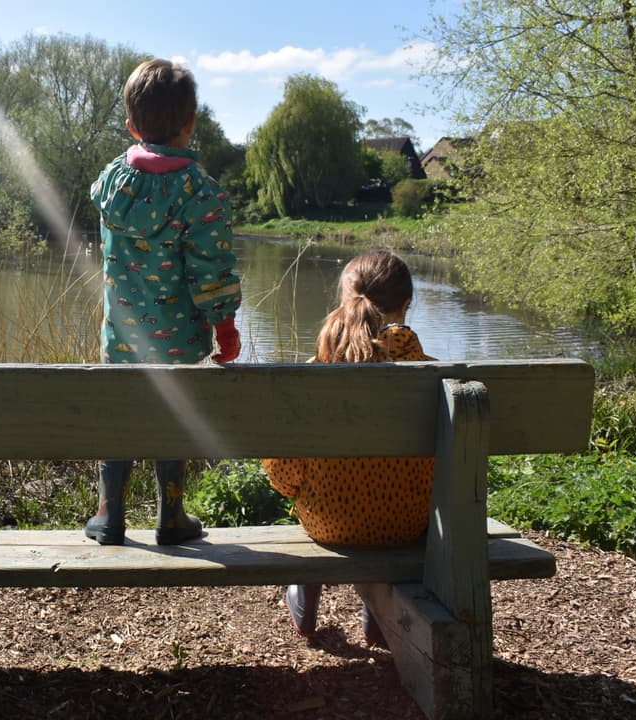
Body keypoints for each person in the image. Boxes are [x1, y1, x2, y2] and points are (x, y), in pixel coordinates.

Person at [85, 58, 242, 546]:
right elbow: (210, 273)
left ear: (132, 126)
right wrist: (225, 327)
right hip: (177, 342)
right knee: (172, 415)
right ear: (191, 123)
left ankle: (109, 516)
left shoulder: (113, 184)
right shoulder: (200, 193)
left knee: (117, 414)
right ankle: (171, 515)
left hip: (120, 341)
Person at [263, 249, 435, 642]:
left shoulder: (315, 374)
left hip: (329, 523)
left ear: (345, 298)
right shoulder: (433, 374)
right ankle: (378, 610)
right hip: (406, 521)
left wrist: (298, 489)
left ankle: (305, 596)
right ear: (406, 304)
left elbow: (284, 473)